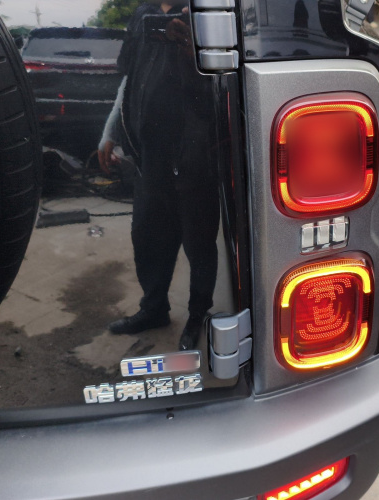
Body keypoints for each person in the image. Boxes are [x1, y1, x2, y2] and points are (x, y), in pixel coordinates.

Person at [98, 0, 220, 350]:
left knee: (198, 242)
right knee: (148, 236)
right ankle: (154, 308)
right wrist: (110, 132)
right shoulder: (143, 14)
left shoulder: (204, 12)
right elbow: (130, 79)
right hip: (149, 155)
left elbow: (224, 82)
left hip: (196, 155)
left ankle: (197, 314)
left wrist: (192, 49)